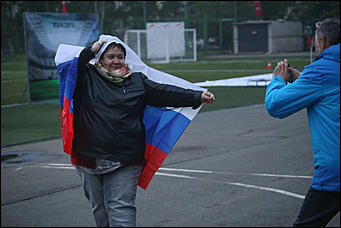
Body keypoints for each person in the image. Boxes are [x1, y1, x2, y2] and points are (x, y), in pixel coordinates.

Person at [70, 37, 215, 227]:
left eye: (120, 56)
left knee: (121, 207)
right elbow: (73, 67)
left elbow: (163, 92)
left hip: (126, 157)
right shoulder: (87, 76)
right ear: (100, 59)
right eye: (110, 56)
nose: (116, 61)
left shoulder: (137, 81)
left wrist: (196, 96)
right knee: (99, 207)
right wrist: (92, 49)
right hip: (88, 155)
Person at [265, 18, 340, 227]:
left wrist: (278, 80)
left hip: (334, 173)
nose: (315, 45)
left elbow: (275, 105)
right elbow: (329, 95)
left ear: (323, 41)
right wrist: (302, 80)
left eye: (316, 41)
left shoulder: (321, 70)